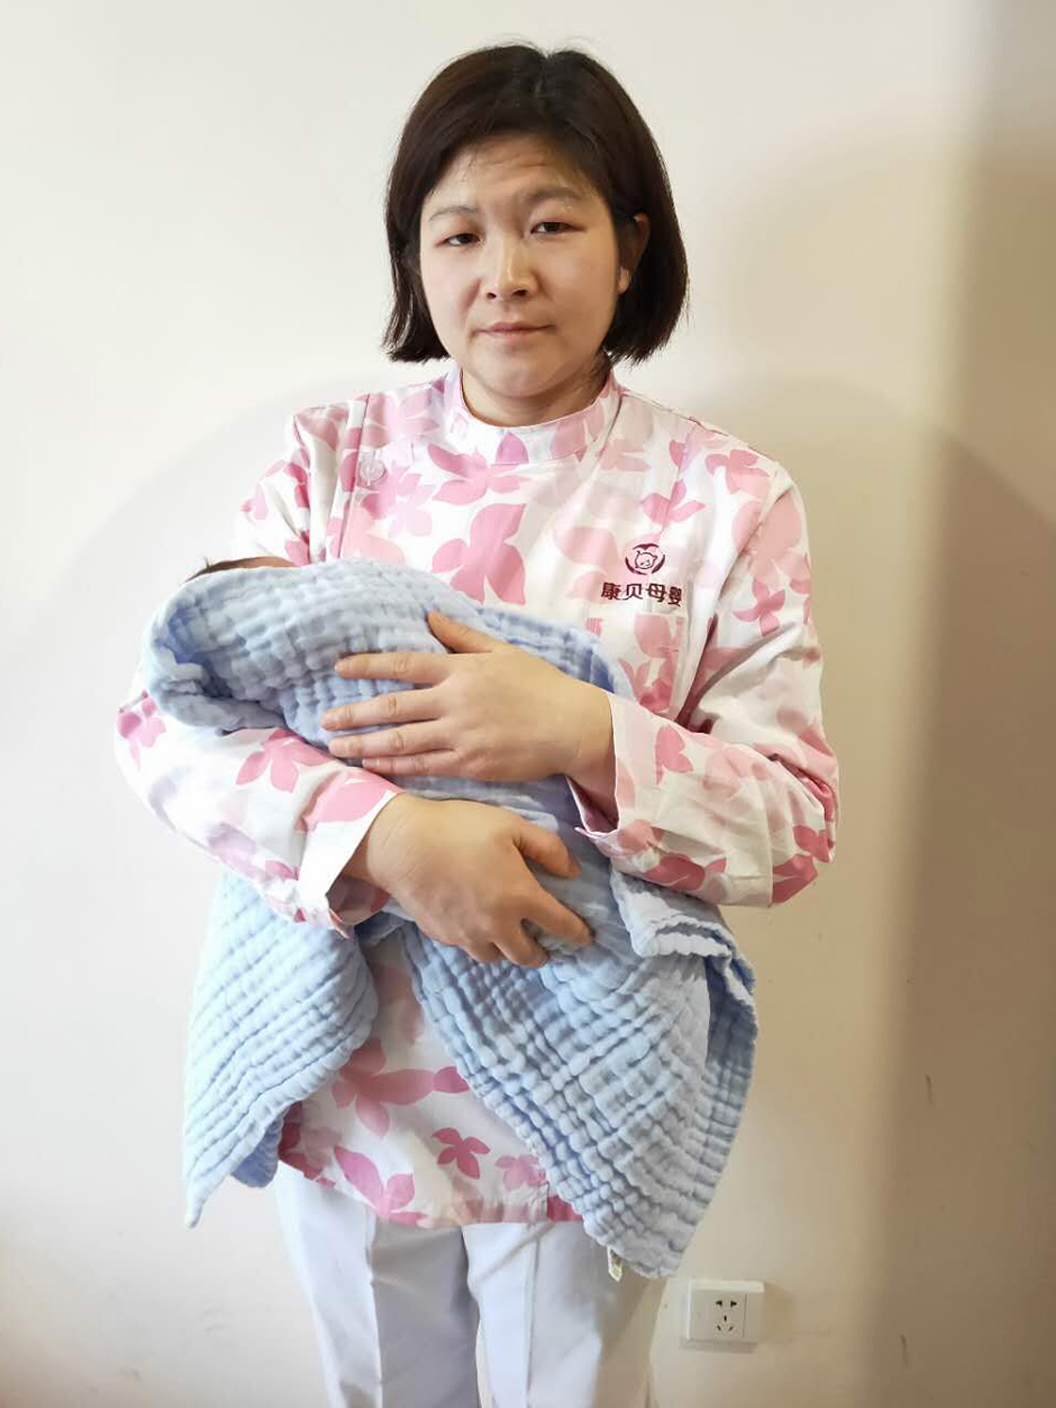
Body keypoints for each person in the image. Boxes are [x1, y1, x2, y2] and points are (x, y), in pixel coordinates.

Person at [114, 41, 840, 1408]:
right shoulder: (329, 463)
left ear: (630, 246)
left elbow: (791, 823)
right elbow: (171, 721)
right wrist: (387, 838)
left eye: (550, 224)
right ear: (417, 260)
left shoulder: (726, 499)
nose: (503, 271)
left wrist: (581, 730)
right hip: (351, 1073)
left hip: (599, 1083)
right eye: (459, 234)